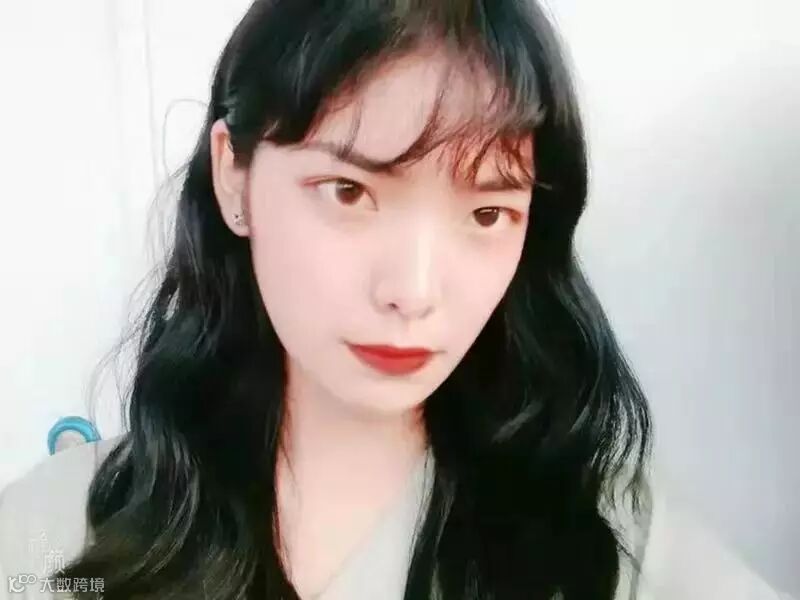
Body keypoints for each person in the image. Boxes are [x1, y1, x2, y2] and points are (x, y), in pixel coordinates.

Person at [0, 1, 794, 599]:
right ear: (234, 179)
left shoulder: (603, 543)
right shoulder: (58, 539)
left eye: (487, 213)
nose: (412, 293)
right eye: (348, 192)